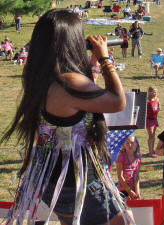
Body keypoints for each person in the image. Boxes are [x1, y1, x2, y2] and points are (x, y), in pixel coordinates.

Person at [0, 9, 134, 225]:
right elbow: (118, 101)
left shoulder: (41, 78)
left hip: (53, 180)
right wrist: (106, 59)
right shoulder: (68, 82)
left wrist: (93, 67)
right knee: (124, 220)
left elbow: (81, 101)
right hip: (79, 182)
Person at [116, 135, 141, 200]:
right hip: (123, 189)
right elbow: (120, 176)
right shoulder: (121, 157)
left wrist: (137, 191)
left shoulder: (137, 158)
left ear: (136, 145)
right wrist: (129, 191)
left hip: (133, 189)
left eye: (132, 143)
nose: (130, 145)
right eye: (127, 143)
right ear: (123, 145)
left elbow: (136, 176)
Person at [146, 86, 160, 158]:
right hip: (149, 119)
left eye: (155, 92)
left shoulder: (157, 99)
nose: (154, 94)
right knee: (150, 135)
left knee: (153, 135)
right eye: (153, 92)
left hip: (154, 119)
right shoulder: (147, 101)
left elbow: (158, 107)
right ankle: (150, 152)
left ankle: (152, 150)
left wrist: (157, 111)